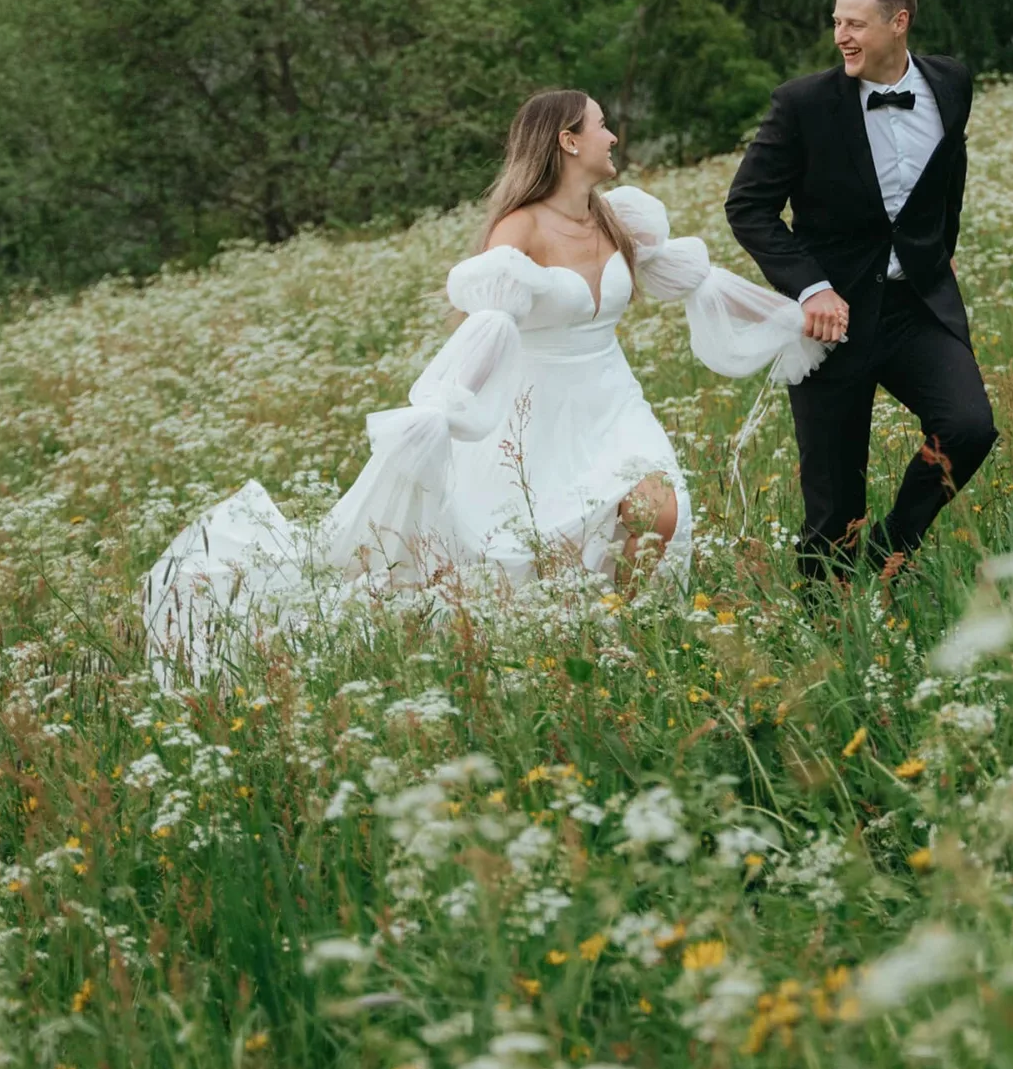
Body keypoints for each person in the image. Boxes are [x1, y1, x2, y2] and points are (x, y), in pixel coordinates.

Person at [143, 88, 826, 680]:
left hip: (613, 403)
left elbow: (696, 282)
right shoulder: (518, 229)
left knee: (658, 510)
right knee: (519, 556)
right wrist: (439, 412)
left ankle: (630, 634)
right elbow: (489, 327)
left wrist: (797, 313)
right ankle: (578, 645)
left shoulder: (617, 218)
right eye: (600, 125)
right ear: (567, 141)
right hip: (532, 413)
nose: (613, 137)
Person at [726, 0, 996, 583]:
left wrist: (939, 246)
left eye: (855, 24)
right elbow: (748, 207)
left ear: (899, 23)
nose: (841, 37)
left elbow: (949, 171)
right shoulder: (802, 104)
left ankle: (889, 552)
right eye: (836, 23)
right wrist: (811, 288)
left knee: (968, 427)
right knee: (833, 504)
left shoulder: (951, 82)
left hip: (914, 307)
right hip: (831, 320)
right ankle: (828, 620)